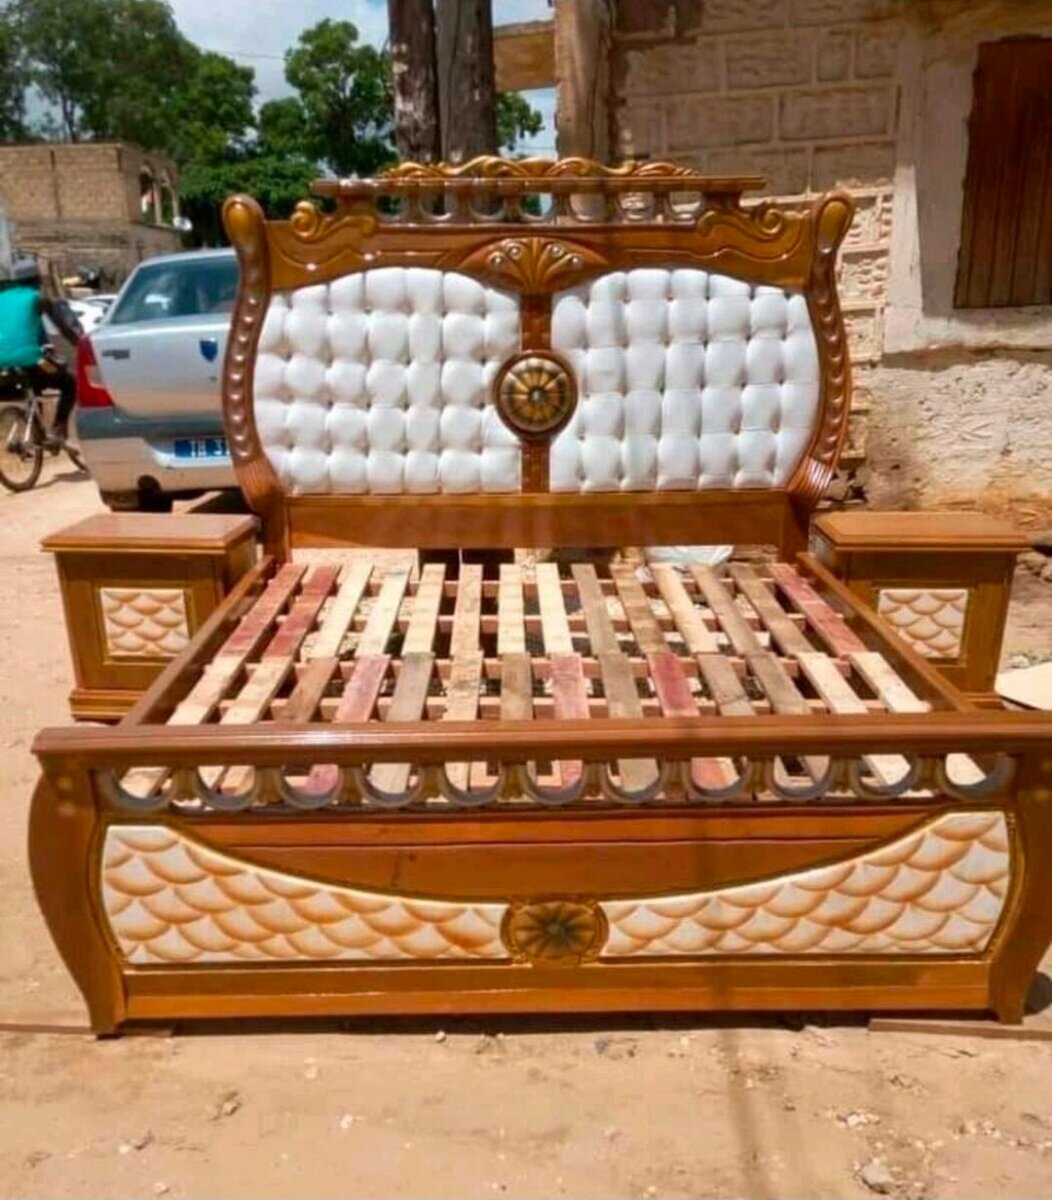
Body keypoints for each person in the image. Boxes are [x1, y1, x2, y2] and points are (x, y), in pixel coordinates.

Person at [0, 257, 82, 446]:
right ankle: (58, 430)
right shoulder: (38, 298)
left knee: (33, 382)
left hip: (1, 366)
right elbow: (63, 328)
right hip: (30, 360)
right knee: (69, 382)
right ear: (38, 279)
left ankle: (36, 431)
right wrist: (81, 346)